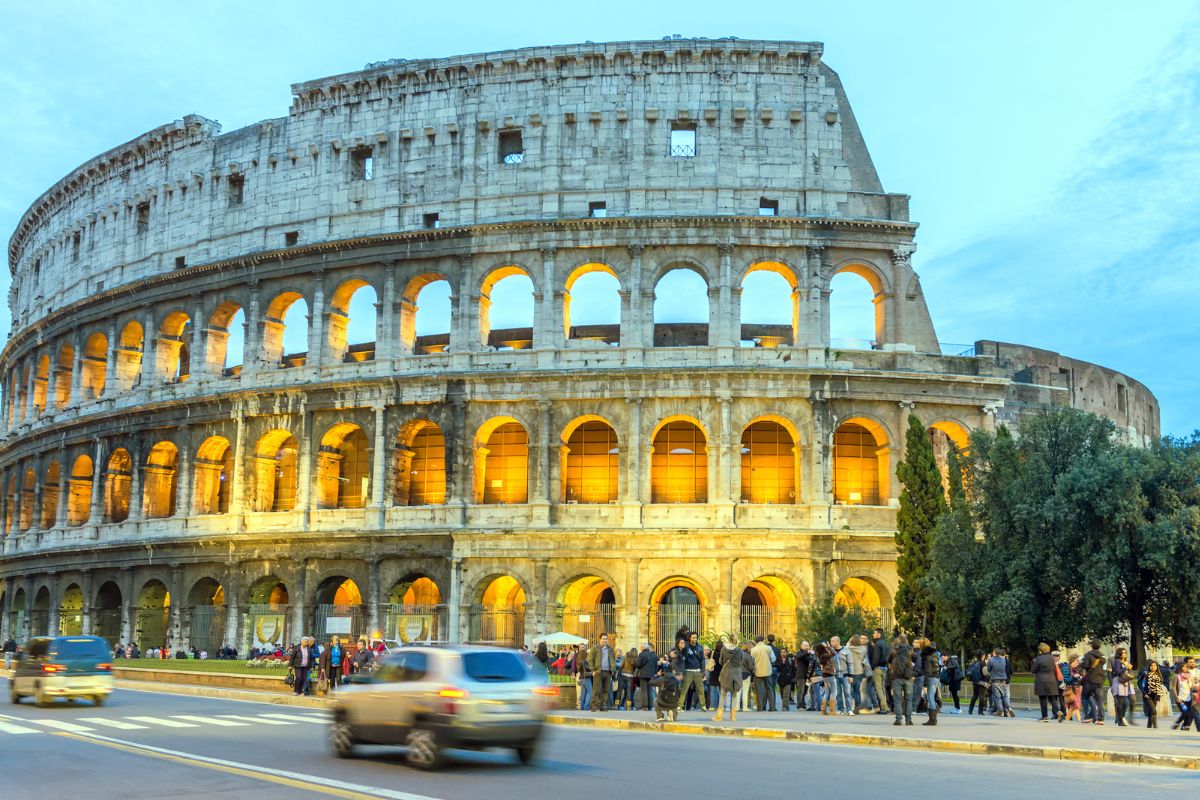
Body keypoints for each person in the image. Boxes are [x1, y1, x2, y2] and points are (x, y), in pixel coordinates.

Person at [713, 637, 746, 722]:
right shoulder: (739, 650)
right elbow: (741, 661)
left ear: (729, 640)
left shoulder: (724, 649)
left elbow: (720, 661)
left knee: (723, 694)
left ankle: (719, 716)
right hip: (737, 673)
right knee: (734, 695)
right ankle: (733, 716)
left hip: (726, 673)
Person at [1031, 642, 1063, 722]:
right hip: (1052, 680)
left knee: (1043, 699)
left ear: (1040, 651)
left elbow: (1033, 670)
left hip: (1041, 681)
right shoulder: (1052, 658)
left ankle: (1045, 716)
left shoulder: (1038, 658)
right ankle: (1059, 712)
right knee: (1053, 699)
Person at [888, 634, 914, 726]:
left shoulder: (894, 651)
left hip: (896, 678)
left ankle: (898, 719)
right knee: (909, 700)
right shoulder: (910, 650)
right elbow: (916, 659)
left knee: (897, 699)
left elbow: (889, 661)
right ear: (906, 640)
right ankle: (908, 720)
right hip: (908, 678)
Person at [587, 633, 618, 712]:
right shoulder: (595, 648)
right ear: (600, 639)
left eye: (606, 639)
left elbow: (613, 660)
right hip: (598, 672)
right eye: (603, 639)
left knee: (605, 690)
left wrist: (613, 670)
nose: (605, 640)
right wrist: (593, 671)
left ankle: (603, 705)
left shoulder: (610, 649)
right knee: (596, 690)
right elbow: (589, 660)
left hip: (608, 672)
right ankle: (593, 706)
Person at [678, 631, 707, 713]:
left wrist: (702, 671)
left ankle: (703, 706)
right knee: (684, 689)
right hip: (688, 671)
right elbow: (681, 655)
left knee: (700, 689)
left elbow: (702, 660)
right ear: (689, 638)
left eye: (696, 637)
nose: (694, 639)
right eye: (693, 637)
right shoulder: (686, 646)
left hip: (697, 671)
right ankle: (679, 706)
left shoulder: (700, 647)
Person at [1080, 640, 1107, 725]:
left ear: (1092, 645)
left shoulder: (1088, 655)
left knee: (1085, 696)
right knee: (1099, 700)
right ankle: (1101, 719)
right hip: (1100, 680)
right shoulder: (1102, 656)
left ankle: (1087, 716)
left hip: (1090, 680)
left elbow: (1085, 665)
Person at [1109, 647, 1135, 727]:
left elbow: (1127, 672)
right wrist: (1125, 668)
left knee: (1125, 702)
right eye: (1123, 652)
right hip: (1118, 682)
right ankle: (1120, 720)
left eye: (1125, 652)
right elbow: (1116, 672)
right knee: (1120, 702)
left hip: (1125, 682)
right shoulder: (1117, 661)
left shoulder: (1126, 662)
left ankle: (1121, 718)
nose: (1125, 654)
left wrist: (1129, 669)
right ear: (1119, 654)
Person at [868, 628, 891, 714]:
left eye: (874, 633)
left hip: (878, 668)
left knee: (878, 689)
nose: (873, 635)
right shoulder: (886, 644)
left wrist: (873, 667)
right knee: (882, 688)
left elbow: (875, 658)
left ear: (878, 634)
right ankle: (886, 706)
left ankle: (884, 707)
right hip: (885, 668)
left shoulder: (878, 644)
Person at [919, 638, 941, 726]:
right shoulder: (934, 654)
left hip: (931, 678)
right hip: (936, 677)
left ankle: (932, 719)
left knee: (930, 698)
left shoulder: (927, 656)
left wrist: (925, 685)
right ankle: (933, 718)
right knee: (931, 698)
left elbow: (928, 671)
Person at [987, 647, 1014, 717]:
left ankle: (1000, 711)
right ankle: (1009, 708)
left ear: (995, 653)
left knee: (997, 696)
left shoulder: (991, 660)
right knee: (1004, 696)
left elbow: (988, 669)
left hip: (995, 680)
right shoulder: (1004, 660)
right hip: (1003, 680)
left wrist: (988, 663)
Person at [750, 635, 774, 711]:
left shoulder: (753, 650)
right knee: (769, 689)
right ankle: (772, 707)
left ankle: (760, 707)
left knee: (759, 690)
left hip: (758, 671)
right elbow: (773, 659)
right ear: (763, 640)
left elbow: (752, 661)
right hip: (767, 670)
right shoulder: (768, 648)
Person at [1140, 659, 1165, 729]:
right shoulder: (1145, 673)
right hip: (1147, 695)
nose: (1153, 667)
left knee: (1151, 712)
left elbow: (1160, 685)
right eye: (1151, 665)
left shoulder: (1159, 675)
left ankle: (1149, 727)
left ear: (1157, 667)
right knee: (1154, 711)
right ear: (1149, 666)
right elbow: (1139, 683)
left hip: (1156, 695)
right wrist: (1144, 693)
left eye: (1154, 665)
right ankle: (1155, 727)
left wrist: (1159, 694)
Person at [848, 634, 869, 713]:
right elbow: (865, 660)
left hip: (852, 671)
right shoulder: (863, 649)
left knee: (851, 690)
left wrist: (849, 641)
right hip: (860, 671)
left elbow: (845, 649)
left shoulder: (849, 649)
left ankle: (858, 705)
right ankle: (858, 706)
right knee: (857, 689)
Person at [634, 642, 657, 710]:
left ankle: (644, 706)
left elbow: (638, 665)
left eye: (641, 647)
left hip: (643, 675)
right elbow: (656, 666)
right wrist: (654, 673)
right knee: (650, 690)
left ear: (643, 648)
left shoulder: (642, 654)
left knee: (644, 691)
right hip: (651, 675)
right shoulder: (654, 655)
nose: (640, 648)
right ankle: (650, 705)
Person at [1061, 653, 1083, 722]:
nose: (1078, 664)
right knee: (1075, 706)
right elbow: (1066, 679)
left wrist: (1079, 677)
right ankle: (1078, 721)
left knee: (1074, 707)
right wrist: (1074, 677)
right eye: (1076, 662)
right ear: (1072, 660)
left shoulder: (1075, 669)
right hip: (1069, 690)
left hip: (1075, 689)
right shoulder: (1065, 668)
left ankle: (1068, 720)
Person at [616, 645, 637, 710]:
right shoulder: (636, 659)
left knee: (619, 690)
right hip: (630, 676)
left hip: (623, 675)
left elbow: (621, 666)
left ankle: (617, 705)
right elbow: (636, 669)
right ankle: (628, 706)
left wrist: (618, 674)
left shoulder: (625, 657)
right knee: (628, 692)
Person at [576, 642, 593, 711]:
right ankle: (586, 706)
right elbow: (588, 670)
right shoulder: (585, 661)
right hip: (586, 678)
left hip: (581, 678)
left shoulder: (579, 660)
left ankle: (582, 706)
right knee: (590, 692)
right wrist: (592, 673)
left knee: (583, 693)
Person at [707, 640, 723, 711]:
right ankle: (720, 705)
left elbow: (707, 656)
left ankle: (713, 706)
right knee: (722, 691)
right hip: (722, 673)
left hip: (713, 673)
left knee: (713, 691)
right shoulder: (723, 653)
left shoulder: (712, 652)